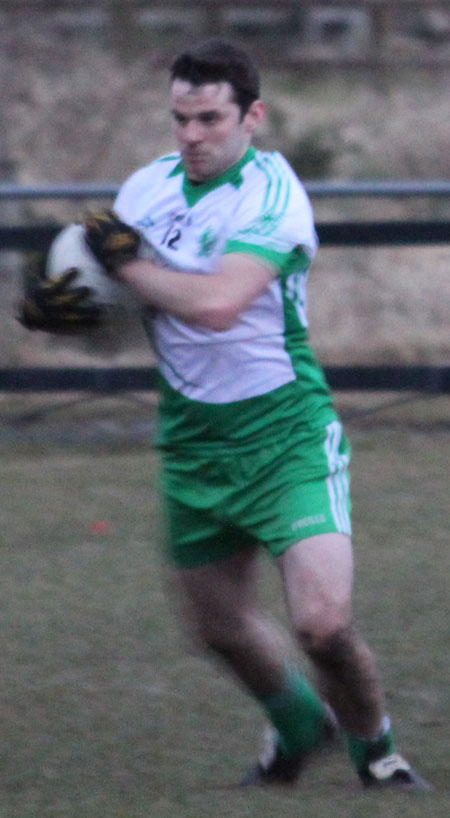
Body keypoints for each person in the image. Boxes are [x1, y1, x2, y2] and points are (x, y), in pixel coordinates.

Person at [20, 39, 429, 791]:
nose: (192, 135)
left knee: (323, 624)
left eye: (209, 118)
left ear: (253, 116)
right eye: (181, 118)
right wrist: (66, 313)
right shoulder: (146, 190)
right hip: (194, 441)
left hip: (286, 438)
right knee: (217, 627)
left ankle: (381, 754)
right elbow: (119, 314)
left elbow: (215, 304)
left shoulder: (273, 195)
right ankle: (304, 726)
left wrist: (126, 265)